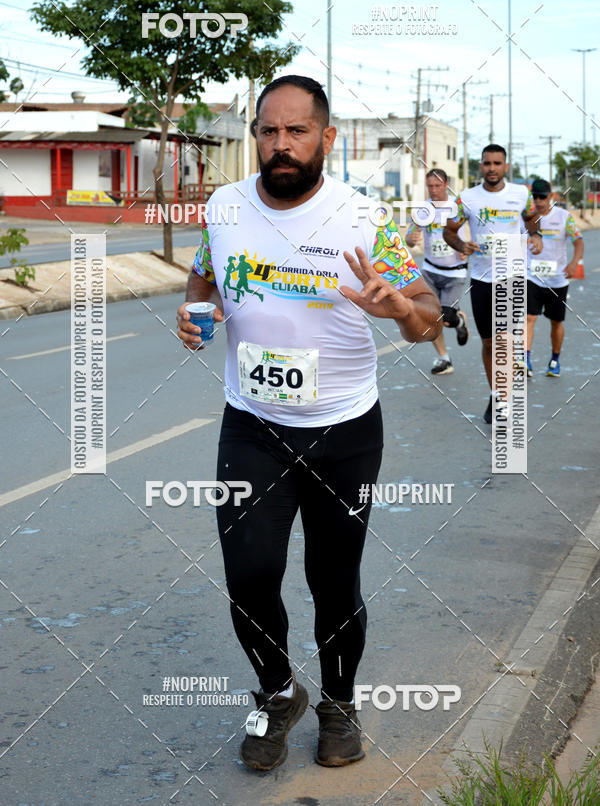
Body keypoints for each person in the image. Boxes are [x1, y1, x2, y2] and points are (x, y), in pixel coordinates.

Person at [176, 75, 440, 771]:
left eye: (297, 131)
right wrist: (197, 313)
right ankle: (277, 692)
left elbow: (427, 319)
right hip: (252, 424)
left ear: (326, 137)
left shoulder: (363, 218)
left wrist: (402, 312)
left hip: (343, 431)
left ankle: (339, 704)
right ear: (255, 137)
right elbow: (204, 275)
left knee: (334, 580)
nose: (281, 144)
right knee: (248, 575)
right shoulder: (225, 207)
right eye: (268, 130)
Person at [443, 144, 542, 423]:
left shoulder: (521, 194)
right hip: (481, 278)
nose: (492, 168)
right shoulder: (467, 198)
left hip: (512, 276)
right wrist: (462, 244)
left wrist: (536, 235)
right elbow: (449, 231)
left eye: (497, 163)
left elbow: (532, 219)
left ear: (505, 166)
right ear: (481, 166)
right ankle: (496, 394)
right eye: (487, 163)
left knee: (504, 341)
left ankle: (504, 399)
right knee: (489, 343)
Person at [405, 168, 469, 375]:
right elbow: (409, 237)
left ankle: (459, 320)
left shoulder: (457, 207)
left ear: (446, 185)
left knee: (446, 317)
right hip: (430, 271)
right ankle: (444, 359)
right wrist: (411, 239)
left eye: (437, 186)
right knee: (432, 317)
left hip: (454, 272)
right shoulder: (423, 210)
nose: (433, 190)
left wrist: (464, 247)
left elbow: (473, 231)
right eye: (430, 186)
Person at [525, 178, 583, 377]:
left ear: (551, 196)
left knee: (556, 322)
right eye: (535, 197)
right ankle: (526, 360)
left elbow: (578, 241)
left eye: (542, 197)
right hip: (532, 277)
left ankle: (555, 360)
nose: (538, 201)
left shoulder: (564, 216)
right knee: (529, 317)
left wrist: (574, 263)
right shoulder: (527, 218)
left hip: (557, 280)